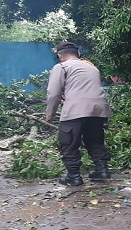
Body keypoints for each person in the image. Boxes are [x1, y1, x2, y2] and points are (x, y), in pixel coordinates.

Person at [44, 41, 113, 186]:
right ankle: (103, 171)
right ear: (78, 54)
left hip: (75, 109)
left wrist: (50, 113)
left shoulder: (61, 67)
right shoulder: (92, 67)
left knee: (69, 142)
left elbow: (53, 93)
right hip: (99, 109)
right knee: (95, 139)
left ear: (60, 56)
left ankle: (74, 176)